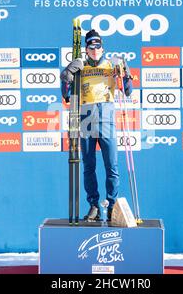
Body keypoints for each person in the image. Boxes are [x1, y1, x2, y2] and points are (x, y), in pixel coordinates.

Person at [61, 29, 133, 222]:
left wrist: (126, 73)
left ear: (102, 47)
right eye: (91, 46)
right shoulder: (80, 66)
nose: (94, 50)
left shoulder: (112, 65)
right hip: (85, 116)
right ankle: (93, 205)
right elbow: (66, 94)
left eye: (98, 46)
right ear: (86, 48)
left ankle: (111, 206)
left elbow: (127, 91)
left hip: (107, 117)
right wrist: (67, 73)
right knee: (89, 166)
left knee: (112, 165)